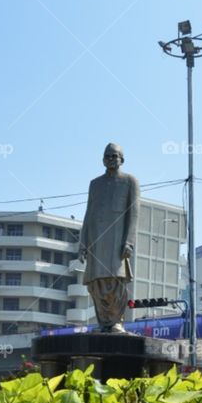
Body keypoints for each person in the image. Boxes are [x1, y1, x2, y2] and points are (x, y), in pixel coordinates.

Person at [78, 142, 140, 332]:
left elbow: (134, 214)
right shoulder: (95, 184)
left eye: (115, 156)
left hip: (117, 242)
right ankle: (103, 323)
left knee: (116, 281)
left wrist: (129, 242)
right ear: (103, 160)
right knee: (97, 283)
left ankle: (116, 321)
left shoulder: (130, 181)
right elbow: (88, 214)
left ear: (122, 159)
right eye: (108, 156)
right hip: (97, 242)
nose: (111, 159)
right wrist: (82, 244)